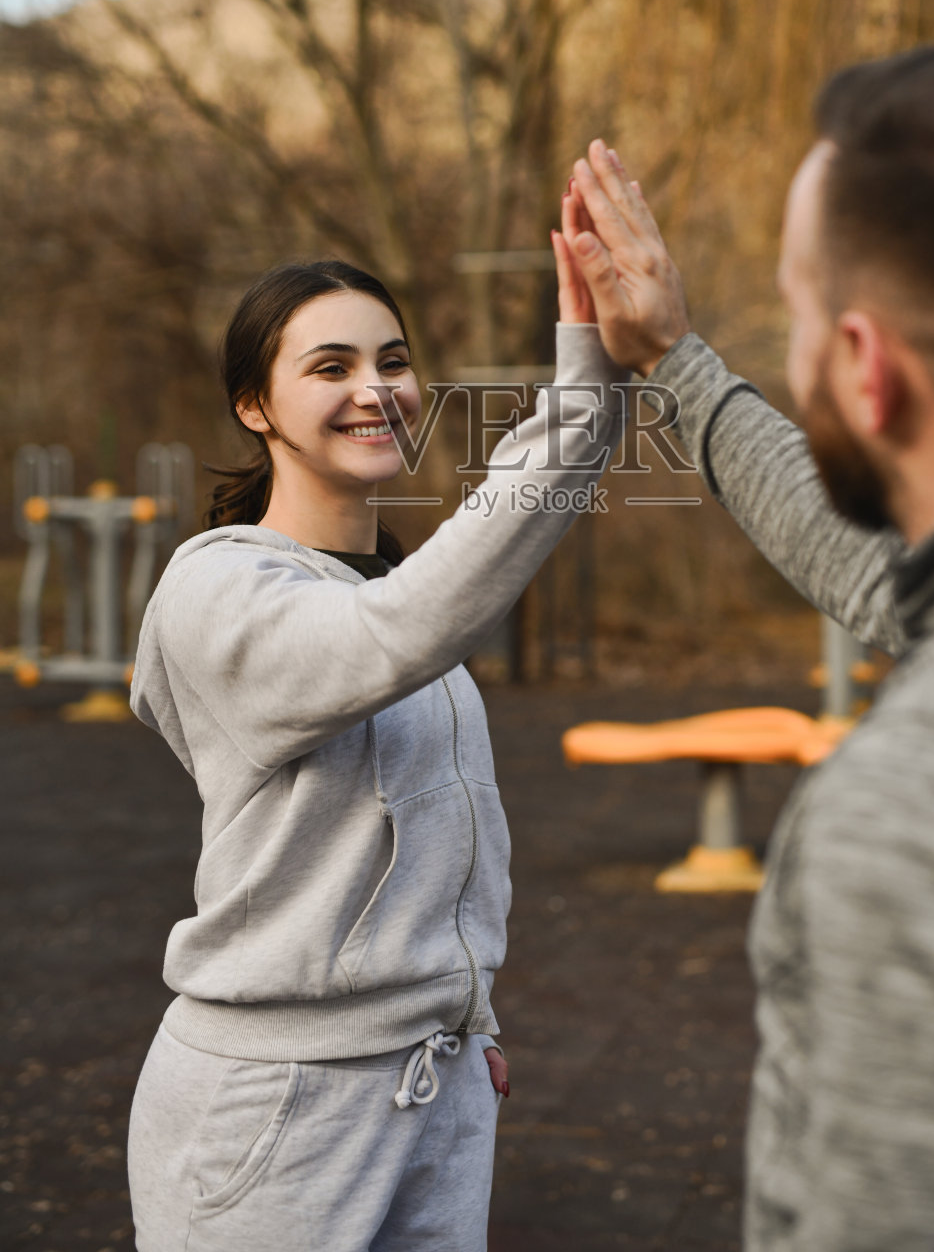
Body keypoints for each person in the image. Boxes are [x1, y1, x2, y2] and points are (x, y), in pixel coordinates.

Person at [563, 48, 934, 1249]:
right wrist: (673, 360)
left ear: (863, 366)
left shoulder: (930, 808)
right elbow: (893, 577)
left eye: (796, 319)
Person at [126, 200, 627, 1252]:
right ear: (254, 406)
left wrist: (465, 1014)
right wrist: (589, 374)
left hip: (430, 1085)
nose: (375, 388)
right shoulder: (217, 590)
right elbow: (404, 626)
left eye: (392, 361)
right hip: (276, 1103)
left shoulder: (384, 594)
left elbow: (441, 832)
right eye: (330, 366)